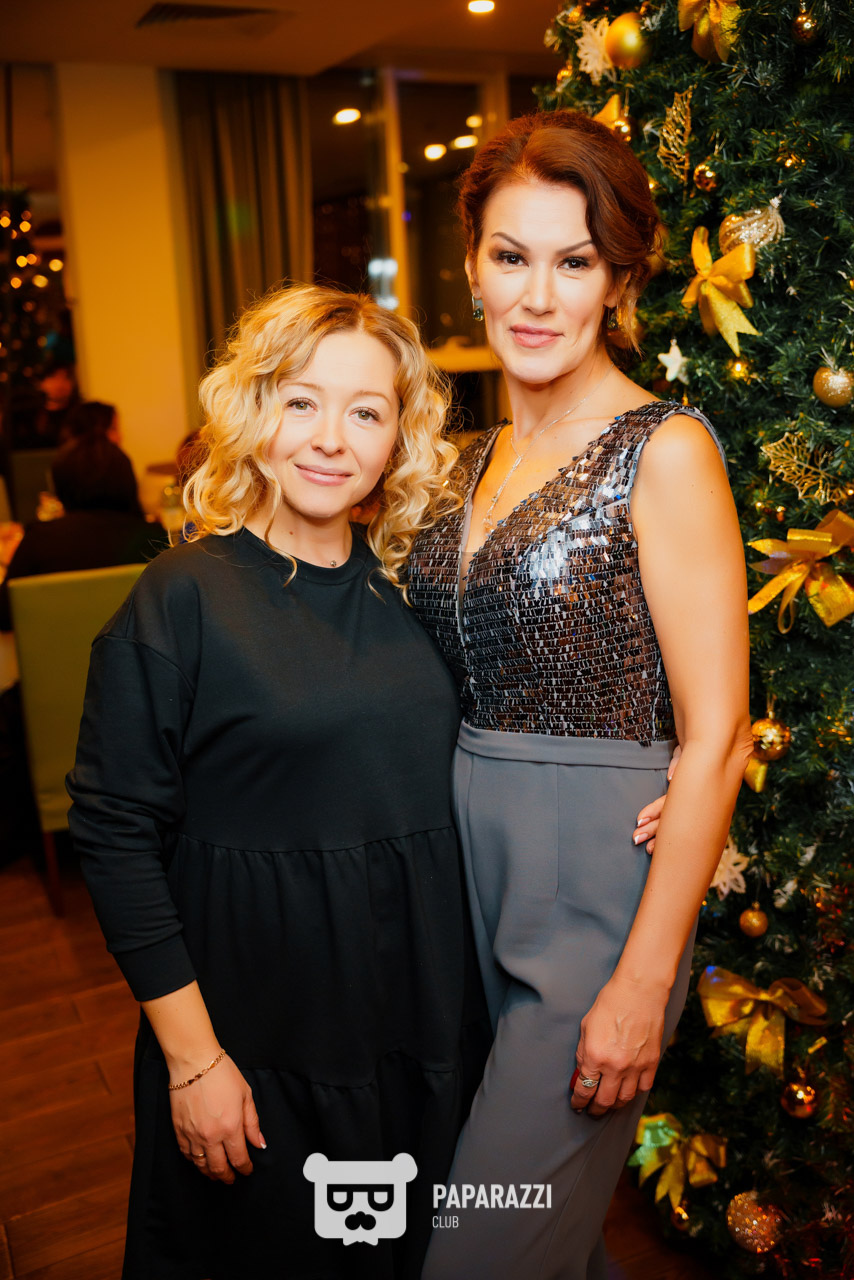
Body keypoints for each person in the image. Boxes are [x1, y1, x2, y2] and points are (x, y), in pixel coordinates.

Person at [65, 285, 493, 1280]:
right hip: (261, 1033)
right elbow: (115, 833)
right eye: (301, 401)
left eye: (366, 411)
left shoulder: (410, 586)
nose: (330, 438)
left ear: (398, 437)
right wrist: (194, 1062)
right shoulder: (181, 596)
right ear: (254, 411)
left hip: (420, 1017)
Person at [408, 109, 753, 1280]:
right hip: (466, 871)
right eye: (511, 256)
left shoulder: (662, 449)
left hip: (593, 897)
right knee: (539, 1239)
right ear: (470, 265)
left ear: (618, 280)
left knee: (479, 1252)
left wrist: (642, 981)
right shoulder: (462, 460)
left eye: (573, 261)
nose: (535, 295)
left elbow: (716, 734)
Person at [0, 434, 166, 632]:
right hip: (133, 651)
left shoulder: (39, 540)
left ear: (61, 486)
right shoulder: (153, 538)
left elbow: (4, 616)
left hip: (55, 651)